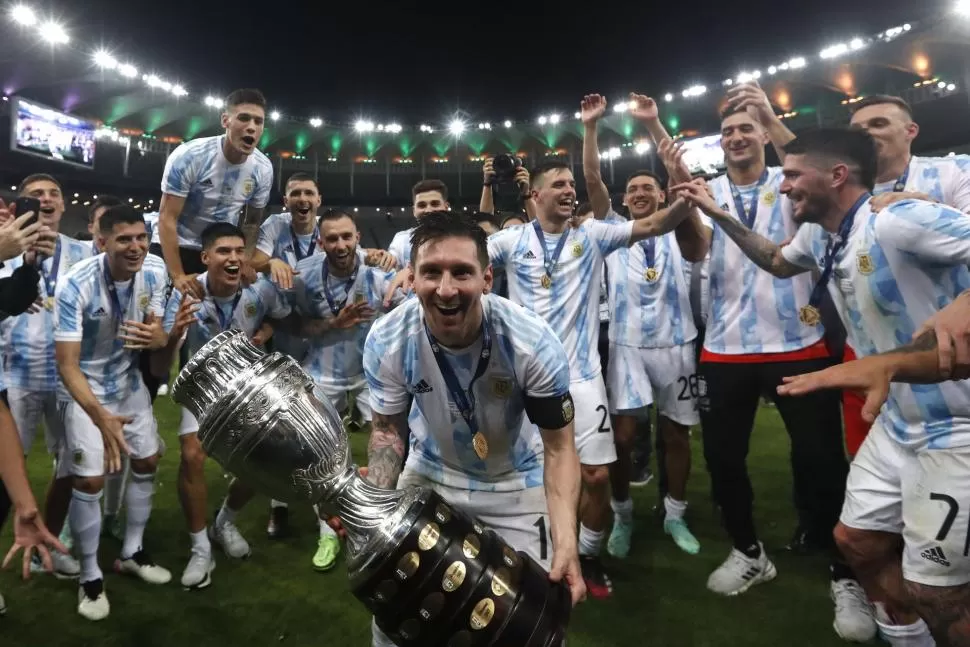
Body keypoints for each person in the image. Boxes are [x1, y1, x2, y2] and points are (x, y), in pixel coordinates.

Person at [673, 126, 970, 647]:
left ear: (836, 176)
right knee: (855, 542)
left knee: (937, 592)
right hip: (899, 421)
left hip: (955, 424)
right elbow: (774, 260)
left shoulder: (895, 219)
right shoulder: (819, 235)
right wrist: (717, 214)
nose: (782, 187)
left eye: (791, 175)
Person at [661, 89, 869, 642]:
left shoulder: (793, 181)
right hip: (724, 349)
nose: (736, 137)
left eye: (746, 129)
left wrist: (771, 117)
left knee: (823, 460)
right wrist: (683, 201)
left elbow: (806, 170)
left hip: (797, 341)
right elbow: (694, 251)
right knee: (725, 461)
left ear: (762, 136)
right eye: (728, 131)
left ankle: (844, 570)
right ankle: (748, 550)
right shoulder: (708, 190)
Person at [361, 212, 585, 646]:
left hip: (513, 487)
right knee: (395, 623)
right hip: (428, 481)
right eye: (431, 273)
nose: (446, 290)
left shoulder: (531, 343)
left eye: (461, 272)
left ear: (487, 278)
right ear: (411, 278)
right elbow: (387, 432)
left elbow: (559, 449)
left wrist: (566, 540)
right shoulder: (388, 339)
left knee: (524, 630)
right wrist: (379, 510)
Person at [487, 158, 691, 598]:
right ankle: (532, 554)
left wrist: (685, 199)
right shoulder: (511, 241)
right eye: (558, 184)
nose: (568, 190)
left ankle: (588, 554)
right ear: (535, 195)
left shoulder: (593, 234)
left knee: (596, 476)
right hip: (525, 381)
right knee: (524, 476)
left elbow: (654, 225)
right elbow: (467, 256)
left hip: (581, 377)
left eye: (570, 184)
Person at [581, 94, 701, 559]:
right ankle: (623, 514)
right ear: (623, 200)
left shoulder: (676, 226)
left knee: (676, 433)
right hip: (628, 346)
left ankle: (674, 514)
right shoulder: (610, 229)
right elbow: (592, 177)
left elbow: (683, 180)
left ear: (661, 194)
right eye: (631, 190)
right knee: (624, 438)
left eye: (647, 188)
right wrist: (591, 128)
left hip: (677, 342)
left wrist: (654, 127)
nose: (638, 194)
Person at [54, 205, 172, 621]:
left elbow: (155, 337)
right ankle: (89, 577)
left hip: (127, 384)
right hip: (84, 388)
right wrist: (100, 416)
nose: (136, 246)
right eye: (125, 239)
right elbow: (67, 364)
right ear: (102, 242)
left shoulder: (156, 273)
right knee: (87, 479)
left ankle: (132, 552)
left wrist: (161, 336)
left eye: (141, 237)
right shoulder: (75, 285)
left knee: (148, 459)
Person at [158, 222, 290, 590]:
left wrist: (265, 332)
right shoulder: (187, 293)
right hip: (201, 386)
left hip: (244, 386)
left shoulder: (258, 292)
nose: (233, 259)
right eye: (223, 252)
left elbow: (282, 316)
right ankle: (200, 548)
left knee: (266, 462)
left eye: (238, 251)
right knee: (192, 455)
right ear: (205, 258)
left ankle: (224, 522)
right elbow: (166, 349)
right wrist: (172, 334)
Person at [271, 208, 402, 570]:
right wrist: (332, 322)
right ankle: (326, 530)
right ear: (320, 241)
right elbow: (293, 325)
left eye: (347, 236)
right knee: (317, 453)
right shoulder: (305, 275)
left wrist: (402, 270)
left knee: (390, 443)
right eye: (332, 238)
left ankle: (377, 525)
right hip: (323, 370)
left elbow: (409, 306)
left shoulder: (379, 270)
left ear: (358, 236)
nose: (340, 245)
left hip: (371, 372)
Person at [1, 173, 91, 578]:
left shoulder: (84, 253)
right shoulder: (6, 247)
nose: (47, 199)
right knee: (4, 472)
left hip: (66, 376)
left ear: (64, 204)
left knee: (70, 466)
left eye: (54, 193)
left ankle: (48, 543)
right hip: (16, 373)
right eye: (37, 195)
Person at [153, 88, 274, 300]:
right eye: (244, 118)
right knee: (167, 319)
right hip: (176, 246)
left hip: (220, 253)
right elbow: (167, 217)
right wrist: (178, 275)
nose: (251, 127)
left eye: (258, 121)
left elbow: (252, 223)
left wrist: (243, 259)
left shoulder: (263, 169)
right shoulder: (190, 156)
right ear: (225, 121)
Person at [386, 179, 450, 269]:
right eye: (422, 205)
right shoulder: (401, 241)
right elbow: (388, 270)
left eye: (435, 204)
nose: (428, 210)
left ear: (446, 207)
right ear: (414, 211)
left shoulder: (463, 239)